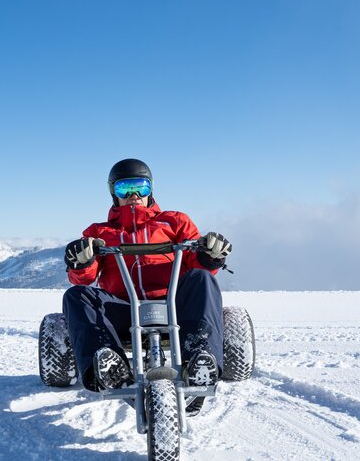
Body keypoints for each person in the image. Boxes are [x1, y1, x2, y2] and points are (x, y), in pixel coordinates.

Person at [62, 158, 233, 407]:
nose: (133, 195)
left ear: (150, 189)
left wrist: (211, 255)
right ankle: (109, 367)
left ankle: (199, 360)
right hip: (123, 309)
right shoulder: (99, 233)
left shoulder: (175, 222)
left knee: (202, 278)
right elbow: (86, 278)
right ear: (113, 192)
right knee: (77, 295)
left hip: (174, 307)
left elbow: (197, 262)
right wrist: (81, 261)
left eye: (140, 187)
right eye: (124, 188)